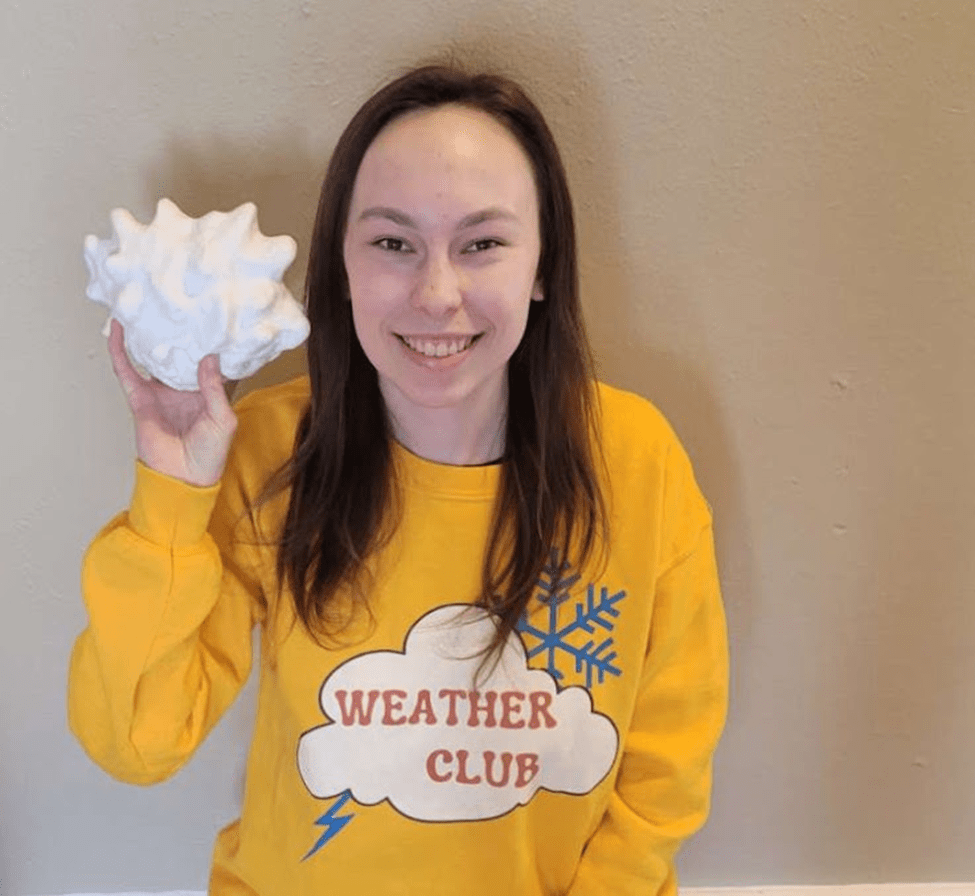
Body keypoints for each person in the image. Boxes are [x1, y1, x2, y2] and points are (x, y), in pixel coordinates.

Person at [69, 62, 728, 895]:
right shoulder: (268, 450)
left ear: (540, 267)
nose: (437, 292)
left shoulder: (635, 458)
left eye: (483, 243)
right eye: (392, 243)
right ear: (343, 268)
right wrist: (170, 493)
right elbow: (135, 745)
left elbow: (665, 765)